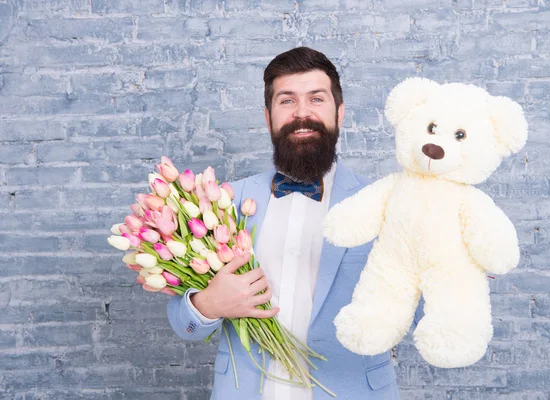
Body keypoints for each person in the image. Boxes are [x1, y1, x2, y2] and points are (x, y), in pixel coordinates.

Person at [167, 46, 422, 400]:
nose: (303, 113)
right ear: (268, 116)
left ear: (340, 113)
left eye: (317, 99)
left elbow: (418, 311)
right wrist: (209, 304)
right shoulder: (224, 203)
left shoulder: (386, 203)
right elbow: (183, 323)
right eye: (287, 101)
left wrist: (456, 263)